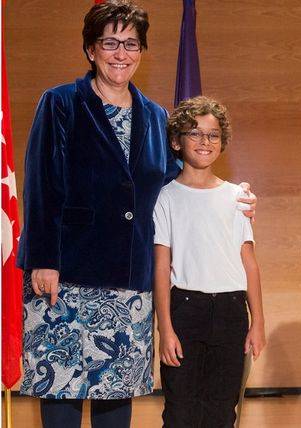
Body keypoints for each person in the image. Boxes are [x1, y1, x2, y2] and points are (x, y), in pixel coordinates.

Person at [15, 2, 255, 427]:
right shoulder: (61, 103)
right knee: (61, 389)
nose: (120, 53)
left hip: (130, 281)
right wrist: (43, 259)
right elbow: (42, 184)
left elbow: (175, 185)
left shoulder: (155, 116)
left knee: (117, 391)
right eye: (110, 42)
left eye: (130, 44)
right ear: (91, 49)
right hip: (67, 273)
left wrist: (236, 196)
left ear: (141, 51)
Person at [153, 96, 266, 427]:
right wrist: (166, 328)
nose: (205, 142)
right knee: (180, 410)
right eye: (195, 133)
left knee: (221, 408)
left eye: (213, 134)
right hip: (185, 310)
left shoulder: (236, 197)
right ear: (176, 140)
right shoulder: (166, 197)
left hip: (231, 312)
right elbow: (162, 266)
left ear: (223, 142)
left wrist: (257, 320)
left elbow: (250, 263)